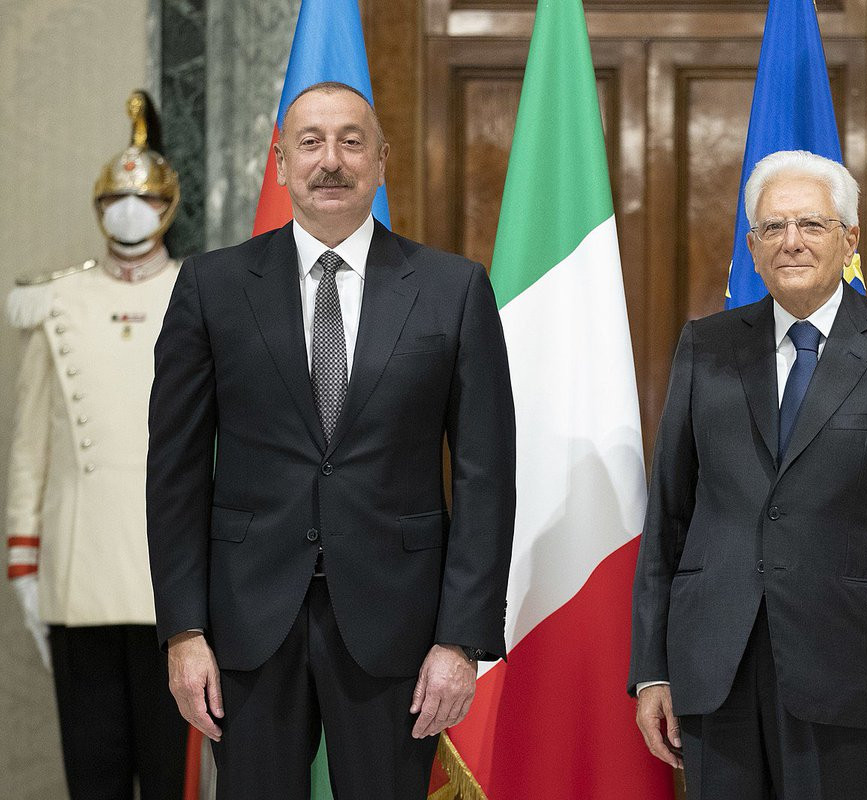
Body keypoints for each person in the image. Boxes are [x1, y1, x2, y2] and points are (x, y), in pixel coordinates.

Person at [146, 81, 516, 799]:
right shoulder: (211, 286)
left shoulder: (453, 289)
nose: (331, 161)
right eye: (310, 143)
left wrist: (460, 638)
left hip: (401, 630)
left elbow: (486, 476)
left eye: (352, 142)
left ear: (382, 160)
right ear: (280, 162)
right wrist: (183, 632)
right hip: (246, 626)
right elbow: (175, 474)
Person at [628, 149, 867, 799]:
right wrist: (652, 669)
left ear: (849, 238)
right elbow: (668, 514)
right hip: (715, 665)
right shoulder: (706, 344)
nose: (792, 241)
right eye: (773, 227)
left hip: (847, 666)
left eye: (811, 224)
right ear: (752, 248)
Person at [5, 90, 190, 800]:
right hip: (77, 576)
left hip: (175, 582)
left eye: (143, 199)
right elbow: (31, 447)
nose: (128, 212)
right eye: (115, 199)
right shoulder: (57, 301)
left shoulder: (200, 294)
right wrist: (24, 559)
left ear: (168, 206)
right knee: (94, 778)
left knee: (171, 777)